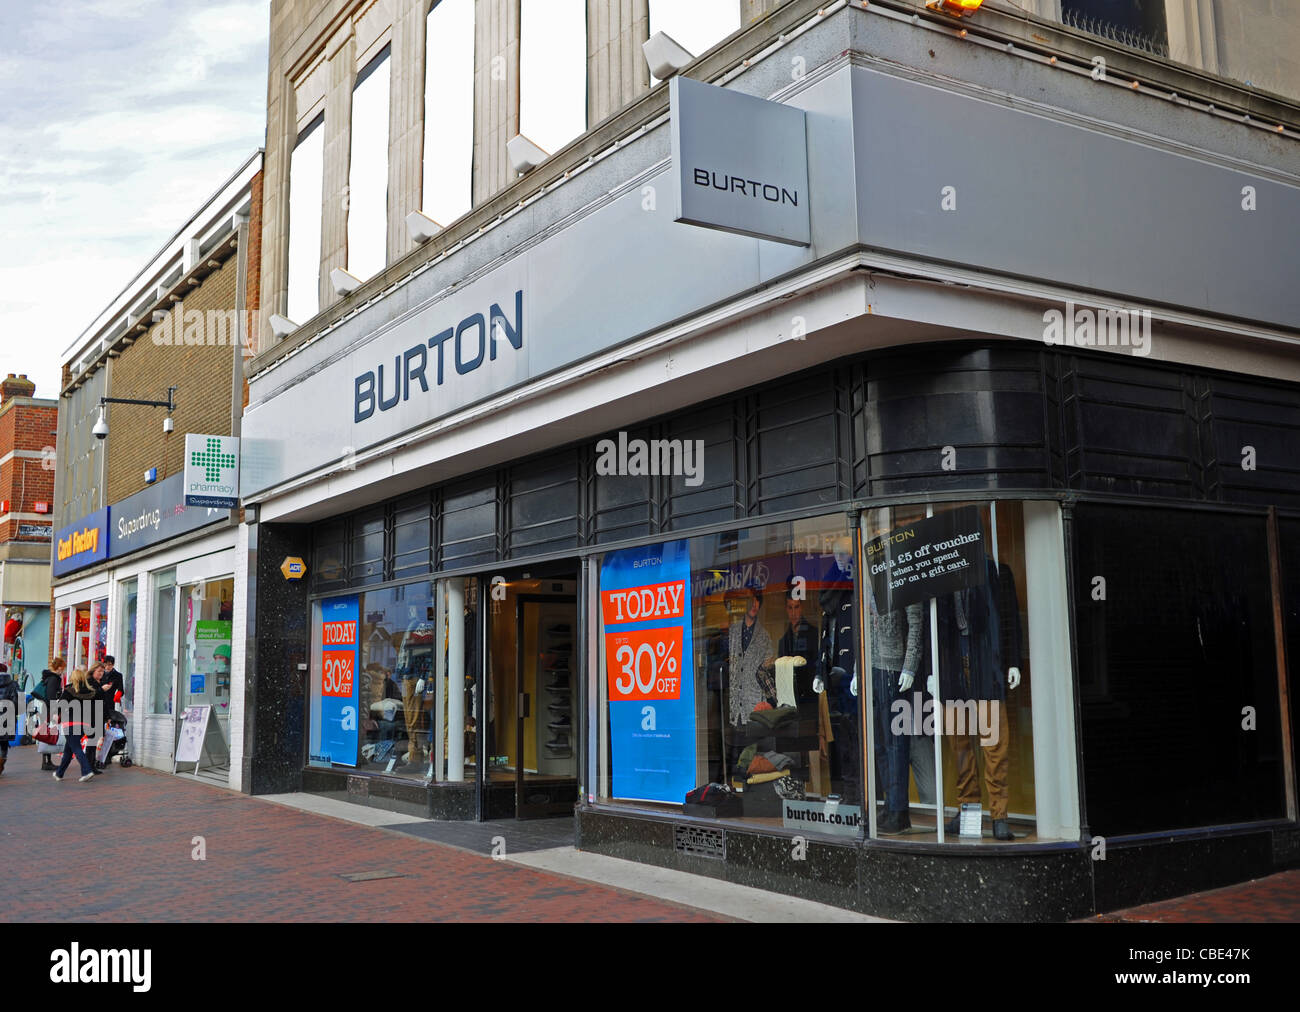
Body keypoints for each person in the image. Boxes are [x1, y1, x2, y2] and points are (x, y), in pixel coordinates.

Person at [53, 668, 100, 783]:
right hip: (85, 724)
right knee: (69, 750)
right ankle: (59, 773)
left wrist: (56, 715)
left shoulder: (69, 690)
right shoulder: (91, 692)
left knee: (76, 748)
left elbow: (60, 706)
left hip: (70, 723)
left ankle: (87, 771)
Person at [36, 658, 66, 771]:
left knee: (46, 734)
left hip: (46, 709)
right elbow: (51, 696)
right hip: (49, 710)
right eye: (62, 668)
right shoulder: (54, 679)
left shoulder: (48, 677)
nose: (63, 671)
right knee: (48, 734)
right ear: (59, 667)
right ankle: (46, 762)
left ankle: (46, 761)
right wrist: (54, 712)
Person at [0, 661, 17, 777]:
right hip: (7, 717)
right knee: (4, 741)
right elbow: (19, 703)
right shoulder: (13, 684)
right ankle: (1, 762)